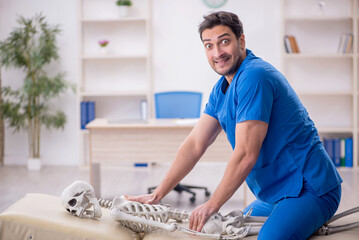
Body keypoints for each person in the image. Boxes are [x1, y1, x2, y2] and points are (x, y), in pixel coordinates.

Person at [125, 11, 343, 239]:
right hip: (278, 194)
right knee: (234, 229)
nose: (217, 53)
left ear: (241, 41)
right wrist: (157, 195)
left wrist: (211, 205)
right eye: (209, 46)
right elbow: (195, 144)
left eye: (224, 42)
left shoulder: (254, 76)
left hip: (310, 188)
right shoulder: (222, 87)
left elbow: (246, 154)